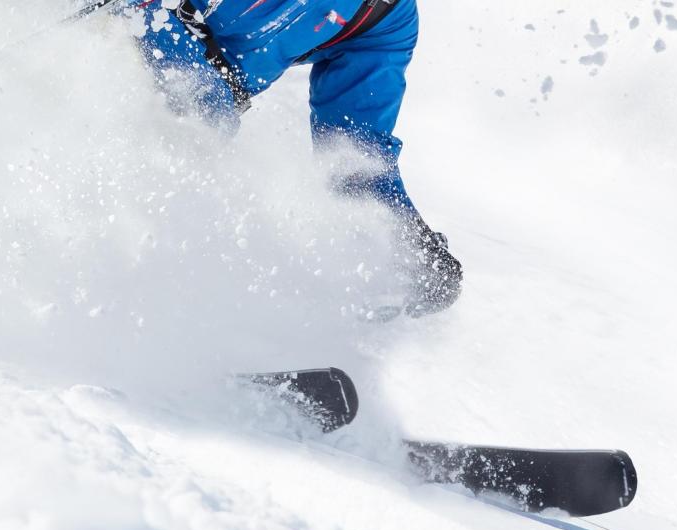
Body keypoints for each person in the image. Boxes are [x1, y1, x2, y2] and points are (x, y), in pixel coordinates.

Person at [126, 0, 462, 318]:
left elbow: (354, 156)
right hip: (129, 39)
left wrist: (405, 241)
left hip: (197, 96)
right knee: (188, 121)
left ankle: (168, 318)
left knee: (195, 143)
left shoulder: (383, 17)